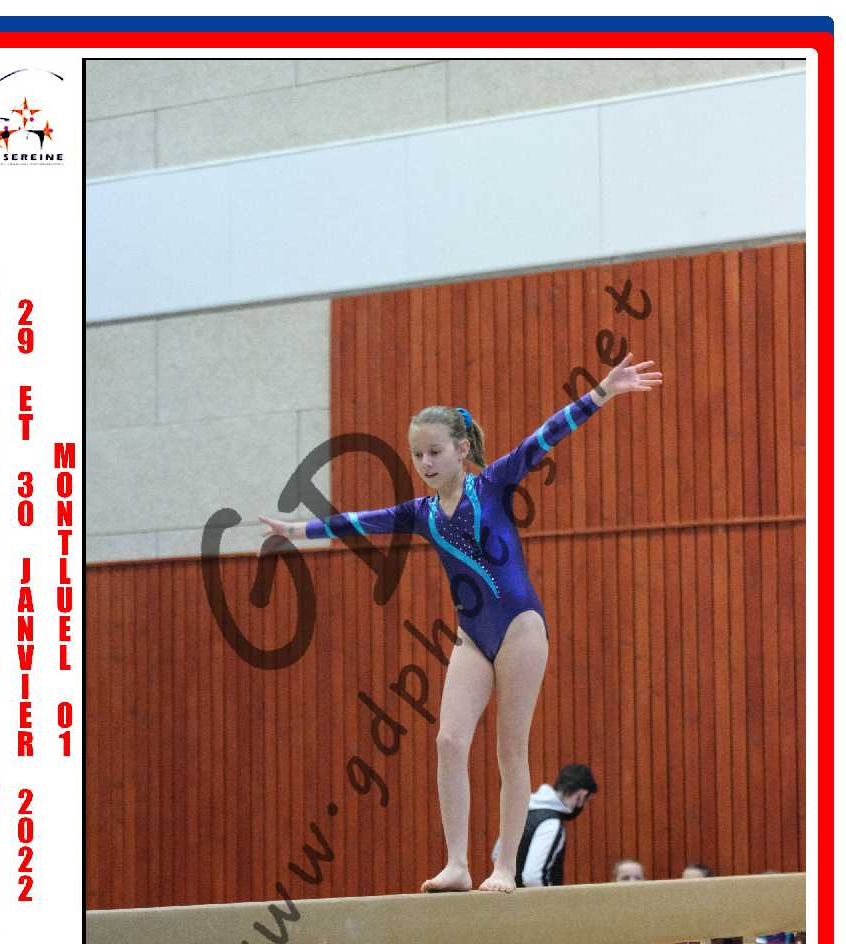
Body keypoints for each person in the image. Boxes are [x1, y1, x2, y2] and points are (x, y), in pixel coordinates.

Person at [260, 353, 662, 893]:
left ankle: (504, 868)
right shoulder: (420, 514)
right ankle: (457, 864)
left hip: (520, 628)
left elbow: (544, 438)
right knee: (449, 741)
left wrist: (602, 392)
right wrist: (294, 531)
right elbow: (358, 521)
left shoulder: (492, 484)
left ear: (462, 449)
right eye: (417, 454)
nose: (425, 463)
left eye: (435, 452)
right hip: (472, 636)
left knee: (509, 749)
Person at [495, 763, 598, 887]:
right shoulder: (551, 823)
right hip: (533, 898)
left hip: (512, 893)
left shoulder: (523, 812)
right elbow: (533, 877)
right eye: (586, 800)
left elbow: (497, 855)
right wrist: (550, 898)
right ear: (581, 794)